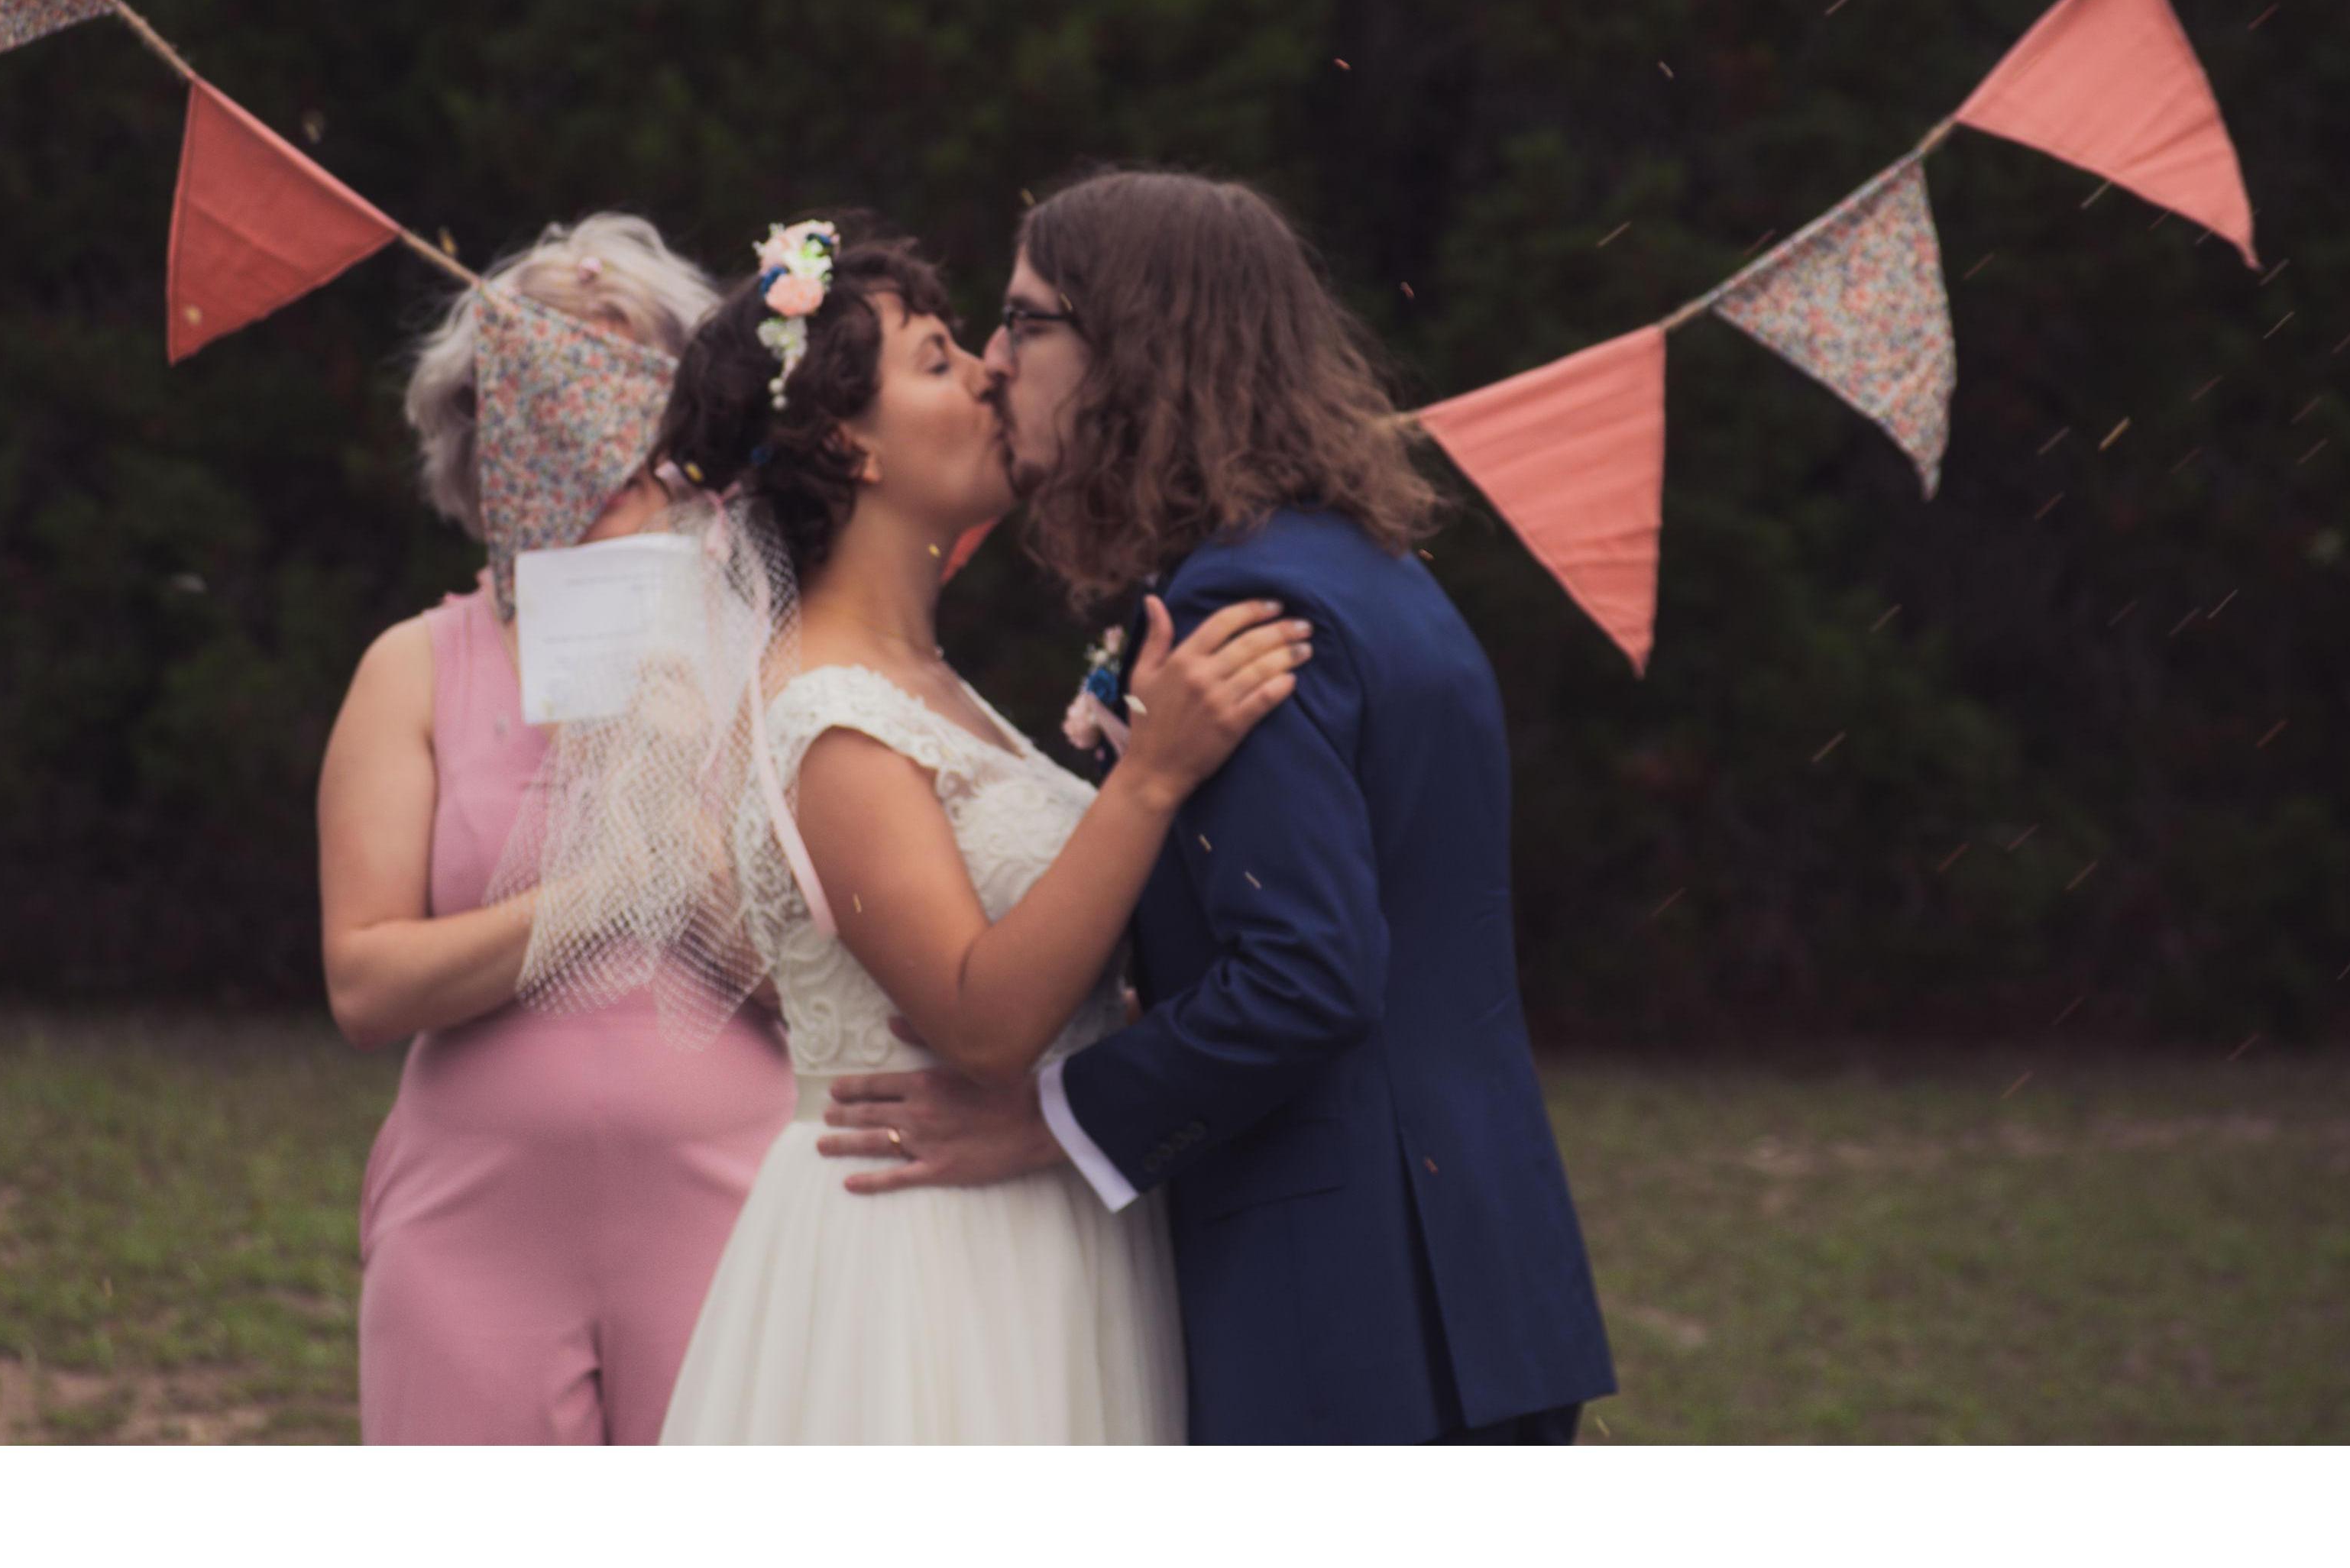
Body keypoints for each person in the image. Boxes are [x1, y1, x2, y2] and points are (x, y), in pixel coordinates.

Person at [817, 170, 1617, 1445]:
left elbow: (1308, 975)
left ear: (1132, 345)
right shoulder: (1371, 568)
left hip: (1349, 1305)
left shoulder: (1239, 614)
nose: (994, 363)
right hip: (1480, 1269)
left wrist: (1058, 1117)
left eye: (1026, 323)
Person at [549, 216, 1304, 1444]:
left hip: (1031, 1211)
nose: (994, 372)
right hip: (926, 1260)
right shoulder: (829, 715)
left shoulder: (927, 682)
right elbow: (980, 1019)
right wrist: (1150, 780)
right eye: (942, 357)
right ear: (853, 443)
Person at [317, 211, 794, 1446]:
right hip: (471, 1238)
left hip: (737, 1217)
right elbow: (365, 983)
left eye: (634, 401)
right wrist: (593, 897)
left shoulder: (775, 658)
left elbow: (856, 993)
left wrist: (691, 882)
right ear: (484, 436)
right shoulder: (414, 668)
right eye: (549, 398)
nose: (600, 445)